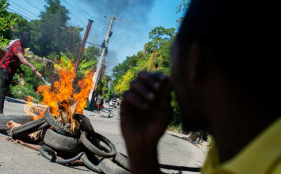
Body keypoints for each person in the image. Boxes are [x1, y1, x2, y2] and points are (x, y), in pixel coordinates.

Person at [120, 0, 280, 174]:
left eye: (173, 60)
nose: (169, 76)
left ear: (193, 65)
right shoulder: (225, 151)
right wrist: (143, 155)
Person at [0, 32, 41, 115]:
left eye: (28, 42)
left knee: (3, 88)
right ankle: (0, 112)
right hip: (5, 67)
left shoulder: (21, 46)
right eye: (26, 41)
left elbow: (17, 60)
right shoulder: (17, 46)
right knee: (4, 89)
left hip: (10, 69)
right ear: (22, 39)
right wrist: (31, 66)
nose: (27, 43)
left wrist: (20, 70)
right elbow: (22, 58)